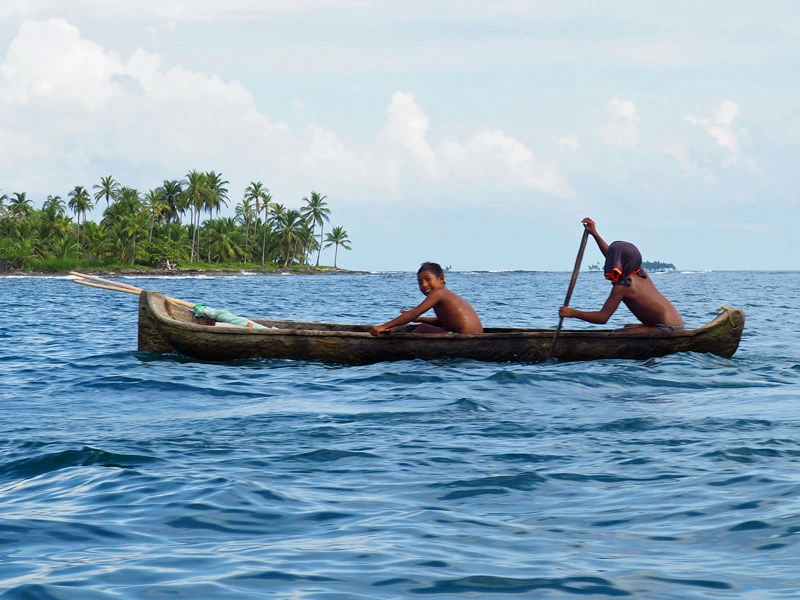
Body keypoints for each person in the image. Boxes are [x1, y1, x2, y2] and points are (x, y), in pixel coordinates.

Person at [558, 218, 684, 333]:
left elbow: (602, 318)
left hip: (666, 329)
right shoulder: (641, 274)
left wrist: (572, 313)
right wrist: (594, 233)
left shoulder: (624, 286)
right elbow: (612, 255)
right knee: (627, 327)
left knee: (616, 335)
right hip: (677, 324)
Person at [370, 262, 483, 336]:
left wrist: (383, 327)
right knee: (421, 326)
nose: (424, 285)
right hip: (475, 334)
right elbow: (445, 321)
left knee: (421, 329)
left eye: (428, 279)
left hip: (462, 335)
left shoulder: (438, 293)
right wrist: (420, 319)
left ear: (441, 278)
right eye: (420, 282)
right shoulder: (445, 294)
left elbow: (412, 314)